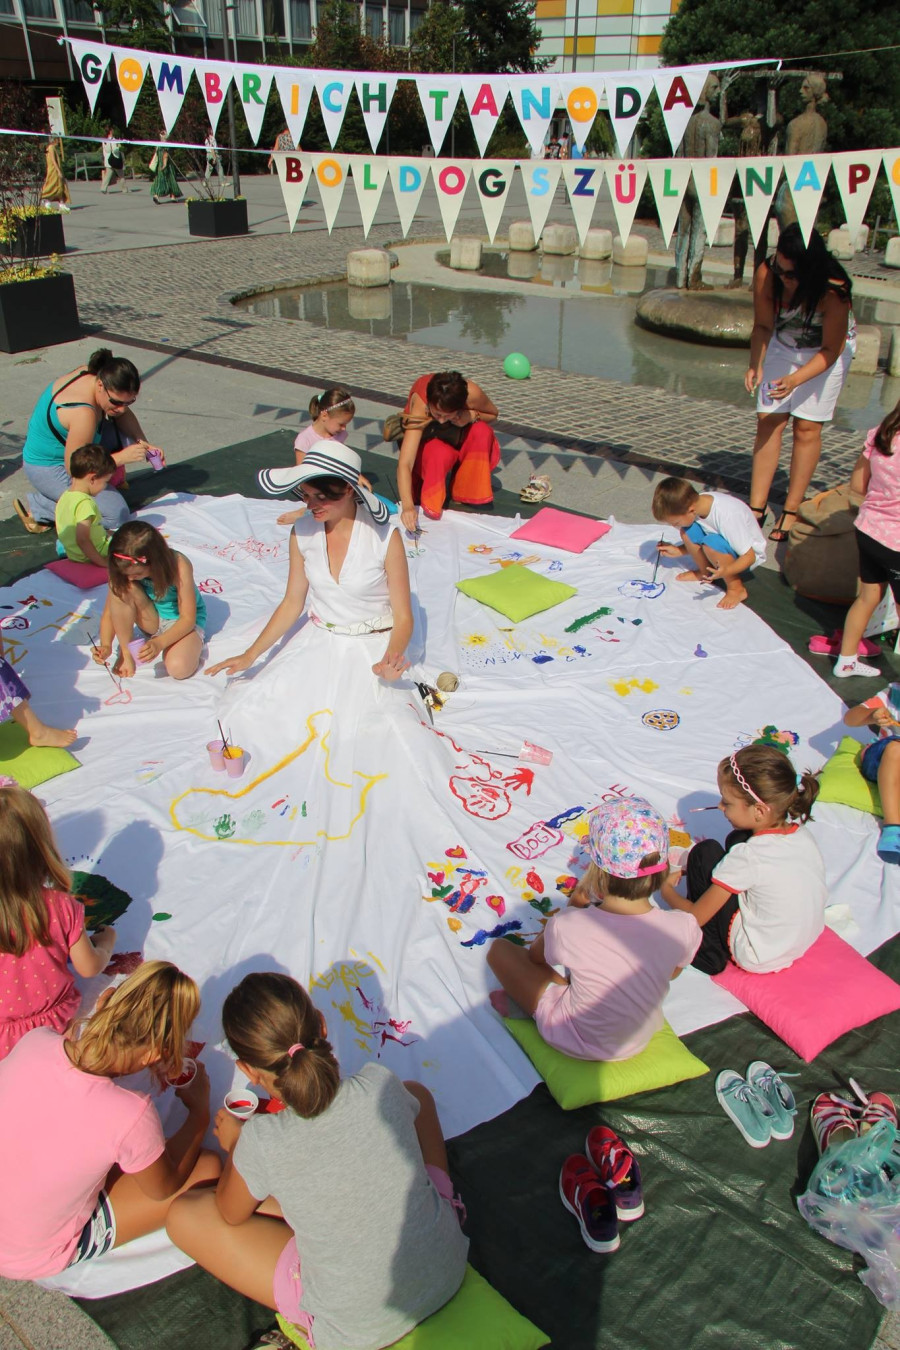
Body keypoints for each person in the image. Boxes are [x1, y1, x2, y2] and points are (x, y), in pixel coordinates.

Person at [166, 972, 468, 1348]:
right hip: (447, 1268)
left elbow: (230, 1213)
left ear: (247, 1070)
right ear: (322, 1025)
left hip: (356, 1329)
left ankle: (304, 1330)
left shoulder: (261, 1141)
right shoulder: (379, 1084)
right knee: (415, 1094)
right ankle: (446, 1200)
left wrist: (237, 1147)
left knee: (185, 1214)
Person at [0, 961, 220, 1280]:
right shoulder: (130, 1113)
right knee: (207, 1167)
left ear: (104, 1001)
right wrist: (199, 1114)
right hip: (26, 1254)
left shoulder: (36, 1040)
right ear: (153, 1055)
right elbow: (163, 1188)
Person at [487, 798, 700, 1062]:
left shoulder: (570, 925)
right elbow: (672, 973)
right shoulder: (684, 925)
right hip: (638, 1038)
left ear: (598, 872)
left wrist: (573, 907)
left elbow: (535, 958)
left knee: (500, 950)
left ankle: (531, 1011)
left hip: (574, 1037)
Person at [208, 443, 411, 685]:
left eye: (321, 498)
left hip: (374, 646)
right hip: (320, 641)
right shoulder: (302, 531)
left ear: (348, 490)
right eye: (306, 495)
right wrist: (250, 655)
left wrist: (389, 662)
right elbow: (292, 603)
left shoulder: (385, 537)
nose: (310, 506)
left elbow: (403, 617)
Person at [659, 746, 826, 975]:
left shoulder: (748, 856)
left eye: (727, 803)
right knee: (737, 838)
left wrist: (666, 889)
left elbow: (695, 916)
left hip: (757, 954)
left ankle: (707, 953)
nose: (720, 807)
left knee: (704, 853)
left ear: (759, 811)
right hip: (797, 941)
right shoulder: (802, 835)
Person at [745, 223, 855, 541]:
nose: (783, 277)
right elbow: (762, 325)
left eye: (791, 274)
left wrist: (795, 380)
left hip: (826, 352)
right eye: (779, 268)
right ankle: (756, 506)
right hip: (783, 343)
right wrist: (755, 363)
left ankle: (792, 509)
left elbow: (831, 350)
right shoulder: (768, 273)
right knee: (769, 419)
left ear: (810, 270)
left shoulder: (833, 290)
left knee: (806, 427)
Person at [0, 785, 115, 1060]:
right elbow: (89, 967)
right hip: (51, 1027)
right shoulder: (60, 906)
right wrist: (106, 942)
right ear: (42, 849)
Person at [17, 348, 164, 534]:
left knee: (126, 437)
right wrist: (120, 458)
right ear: (101, 385)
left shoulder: (95, 374)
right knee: (116, 515)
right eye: (116, 402)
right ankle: (41, 506)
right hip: (51, 467)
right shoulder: (83, 414)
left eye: (128, 402)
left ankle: (88, 488)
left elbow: (122, 414)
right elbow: (75, 468)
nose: (121, 409)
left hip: (76, 446)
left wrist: (143, 442)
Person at [833, 400, 900, 679]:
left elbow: (858, 485)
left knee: (868, 596)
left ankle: (846, 661)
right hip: (896, 543)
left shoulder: (883, 432)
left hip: (869, 529)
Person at [95, 522, 206, 681]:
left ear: (155, 561)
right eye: (126, 574)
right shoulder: (125, 571)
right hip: (152, 619)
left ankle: (190, 644)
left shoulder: (179, 565)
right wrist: (106, 645)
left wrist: (160, 643)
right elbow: (110, 612)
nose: (130, 578)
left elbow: (188, 619)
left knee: (179, 668)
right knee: (120, 587)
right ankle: (127, 653)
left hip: (181, 623)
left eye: (137, 574)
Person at [396, 371, 499, 531]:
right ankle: (432, 501)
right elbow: (405, 463)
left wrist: (472, 415)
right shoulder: (421, 404)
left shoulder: (472, 393)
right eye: (437, 414)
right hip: (428, 442)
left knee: (482, 432)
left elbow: (493, 414)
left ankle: (465, 493)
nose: (442, 420)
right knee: (439, 452)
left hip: (457, 436)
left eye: (448, 415)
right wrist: (408, 506)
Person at [651, 476, 766, 609]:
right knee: (687, 531)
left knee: (711, 543)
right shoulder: (698, 503)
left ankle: (736, 588)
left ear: (691, 510)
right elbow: (702, 533)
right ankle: (704, 572)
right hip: (725, 547)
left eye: (675, 522)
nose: (674, 526)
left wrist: (727, 571)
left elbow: (749, 556)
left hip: (746, 558)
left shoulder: (727, 515)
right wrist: (679, 550)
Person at [268, 388, 372, 528]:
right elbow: (301, 473)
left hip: (331, 478)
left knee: (354, 496)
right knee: (332, 498)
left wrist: (356, 475)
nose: (344, 428)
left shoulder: (339, 435)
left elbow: (341, 460)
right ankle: (304, 512)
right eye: (341, 424)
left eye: (346, 424)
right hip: (310, 484)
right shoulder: (305, 439)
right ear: (324, 415)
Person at [843, 681, 900, 864]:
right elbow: (850, 718)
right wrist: (872, 716)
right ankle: (893, 826)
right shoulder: (893, 695)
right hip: (881, 760)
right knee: (896, 749)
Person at [55, 444, 116, 566]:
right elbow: (82, 540)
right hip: (94, 554)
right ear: (92, 479)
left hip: (73, 553)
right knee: (134, 541)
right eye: (105, 482)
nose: (105, 487)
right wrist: (102, 562)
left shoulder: (65, 496)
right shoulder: (85, 503)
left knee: (115, 533)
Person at [41, 137, 70, 213]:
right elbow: (53, 160)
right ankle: (47, 201)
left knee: (61, 186)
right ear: (54, 140)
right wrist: (58, 171)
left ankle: (62, 204)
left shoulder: (52, 147)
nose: (59, 142)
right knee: (52, 185)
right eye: (57, 140)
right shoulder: (51, 147)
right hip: (53, 170)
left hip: (55, 169)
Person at [150, 134, 181, 204]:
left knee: (159, 180)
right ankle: (164, 196)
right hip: (167, 165)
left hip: (159, 165)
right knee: (170, 180)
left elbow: (157, 154)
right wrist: (165, 164)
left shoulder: (158, 145)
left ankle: (170, 196)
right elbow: (165, 155)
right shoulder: (166, 145)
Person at [100, 129, 125, 194]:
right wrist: (119, 146)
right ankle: (124, 189)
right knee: (121, 176)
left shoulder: (104, 141)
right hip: (115, 160)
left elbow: (105, 151)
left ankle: (103, 188)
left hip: (108, 161)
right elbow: (115, 150)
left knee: (107, 176)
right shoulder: (114, 140)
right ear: (110, 132)